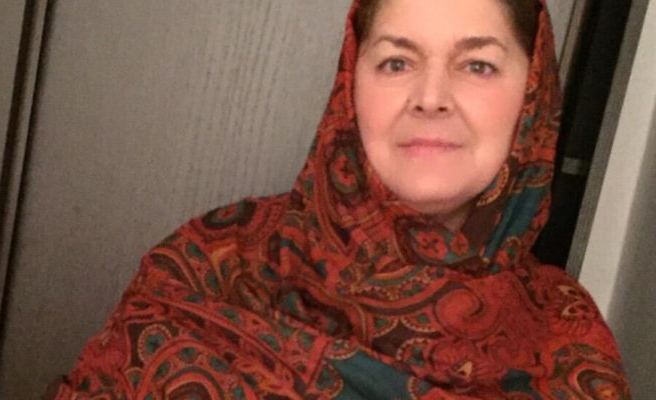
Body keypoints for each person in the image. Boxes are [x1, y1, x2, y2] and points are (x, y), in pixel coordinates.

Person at [49, 0, 630, 398]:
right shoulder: (209, 264)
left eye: (477, 65)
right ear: (351, 84)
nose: (431, 96)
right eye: (397, 62)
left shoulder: (566, 334)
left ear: (533, 94)